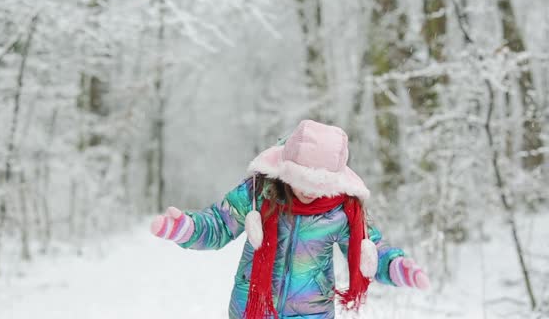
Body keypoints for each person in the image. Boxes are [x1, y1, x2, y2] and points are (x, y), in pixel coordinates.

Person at [151, 119, 429, 319]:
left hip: (312, 313)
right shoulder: (260, 192)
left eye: (317, 184)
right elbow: (219, 224)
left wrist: (395, 266)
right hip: (252, 309)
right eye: (300, 180)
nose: (308, 190)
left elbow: (368, 250)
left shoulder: (342, 210)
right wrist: (185, 228)